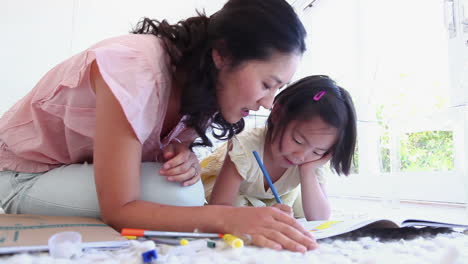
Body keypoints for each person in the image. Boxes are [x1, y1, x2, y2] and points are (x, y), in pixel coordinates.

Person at [0, 0, 317, 252]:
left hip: (75, 170)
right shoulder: (135, 68)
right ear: (223, 55)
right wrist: (230, 218)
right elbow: (119, 209)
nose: (267, 102)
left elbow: (141, 152)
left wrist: (184, 158)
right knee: (181, 198)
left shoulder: (205, 89)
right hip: (22, 174)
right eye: (267, 84)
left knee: (181, 190)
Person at [202, 75, 357, 221]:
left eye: (318, 151)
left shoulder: (311, 160)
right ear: (277, 114)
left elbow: (320, 218)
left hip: (281, 195)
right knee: (236, 208)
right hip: (232, 189)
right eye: (297, 140)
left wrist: (307, 171)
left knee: (305, 207)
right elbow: (219, 207)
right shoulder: (244, 147)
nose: (301, 156)